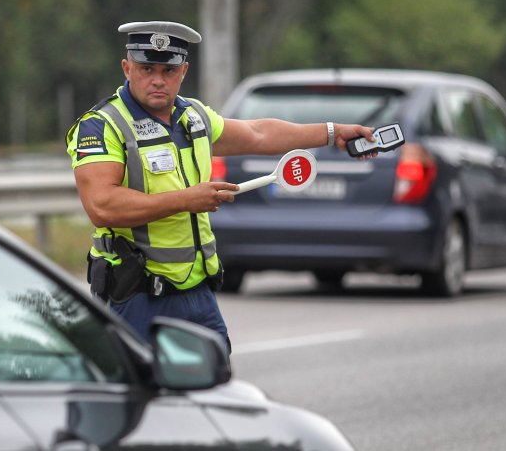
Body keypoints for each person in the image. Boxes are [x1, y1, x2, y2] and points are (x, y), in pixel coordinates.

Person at [65, 20, 377, 349]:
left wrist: (331, 133)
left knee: (215, 391)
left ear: (183, 71)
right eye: (146, 68)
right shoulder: (101, 126)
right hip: (136, 295)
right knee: (143, 396)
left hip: (198, 292)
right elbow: (102, 205)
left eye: (168, 71)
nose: (157, 80)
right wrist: (187, 199)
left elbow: (258, 133)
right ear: (126, 68)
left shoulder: (193, 116)